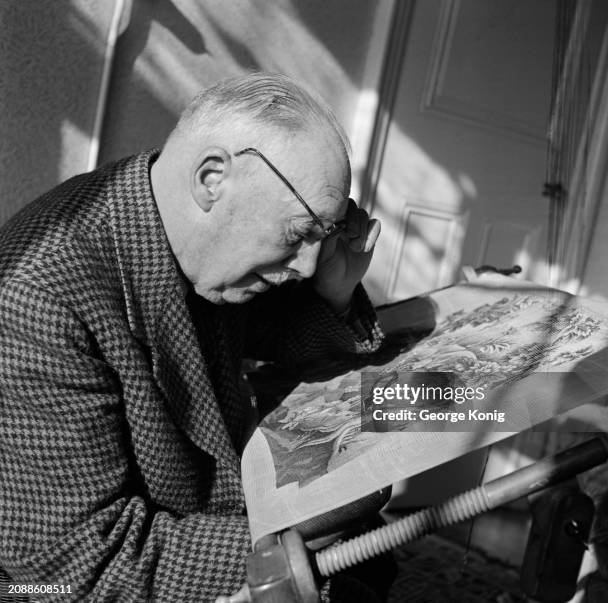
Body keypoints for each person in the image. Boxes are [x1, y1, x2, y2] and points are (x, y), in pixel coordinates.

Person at [0, 73, 385, 601]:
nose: (308, 263)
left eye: (324, 235)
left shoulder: (197, 237)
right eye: (300, 234)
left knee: (371, 530)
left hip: (195, 523)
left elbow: (278, 333)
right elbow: (76, 569)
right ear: (211, 179)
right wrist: (284, 543)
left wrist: (335, 292)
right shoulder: (39, 295)